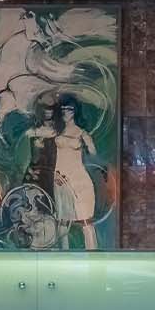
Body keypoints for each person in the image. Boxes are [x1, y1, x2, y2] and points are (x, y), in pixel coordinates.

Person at [41, 95, 98, 248]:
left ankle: (93, 256)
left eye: (70, 109)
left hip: (80, 180)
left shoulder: (82, 133)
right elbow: (34, 132)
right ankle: (63, 256)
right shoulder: (55, 131)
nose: (66, 112)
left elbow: (94, 153)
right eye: (63, 109)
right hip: (61, 179)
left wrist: (88, 143)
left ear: (75, 112)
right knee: (63, 222)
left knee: (86, 220)